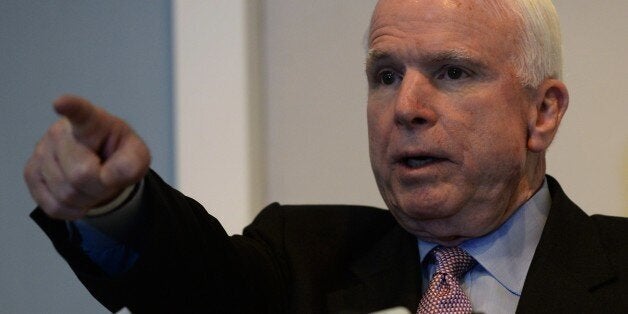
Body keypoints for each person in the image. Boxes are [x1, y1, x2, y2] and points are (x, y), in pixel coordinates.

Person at [24, 0, 627, 313]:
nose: (406, 106)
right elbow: (192, 282)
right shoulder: (303, 258)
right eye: (386, 75)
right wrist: (112, 205)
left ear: (543, 113)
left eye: (451, 72)